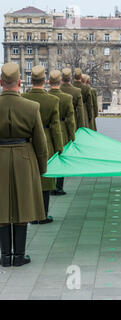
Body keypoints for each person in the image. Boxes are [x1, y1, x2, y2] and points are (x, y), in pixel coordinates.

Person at [0, 63, 48, 267]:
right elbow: (40, 141)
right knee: (22, 205)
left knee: (2, 207)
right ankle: (19, 256)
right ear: (20, 82)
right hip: (24, 157)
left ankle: (4, 257)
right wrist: (42, 167)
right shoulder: (31, 106)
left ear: (1, 83)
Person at [22, 65, 64, 225]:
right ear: (44, 81)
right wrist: (59, 147)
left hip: (27, 141)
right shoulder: (53, 100)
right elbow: (56, 127)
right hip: (46, 139)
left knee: (30, 178)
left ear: (31, 80)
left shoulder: (24, 97)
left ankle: (31, 215)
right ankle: (43, 214)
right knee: (45, 178)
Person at [48, 70, 76, 196]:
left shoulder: (45, 97)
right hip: (63, 128)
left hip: (47, 130)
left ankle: (48, 185)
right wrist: (72, 137)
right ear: (59, 82)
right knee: (61, 157)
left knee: (49, 157)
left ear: (49, 82)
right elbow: (70, 120)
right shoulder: (67, 98)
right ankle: (59, 187)